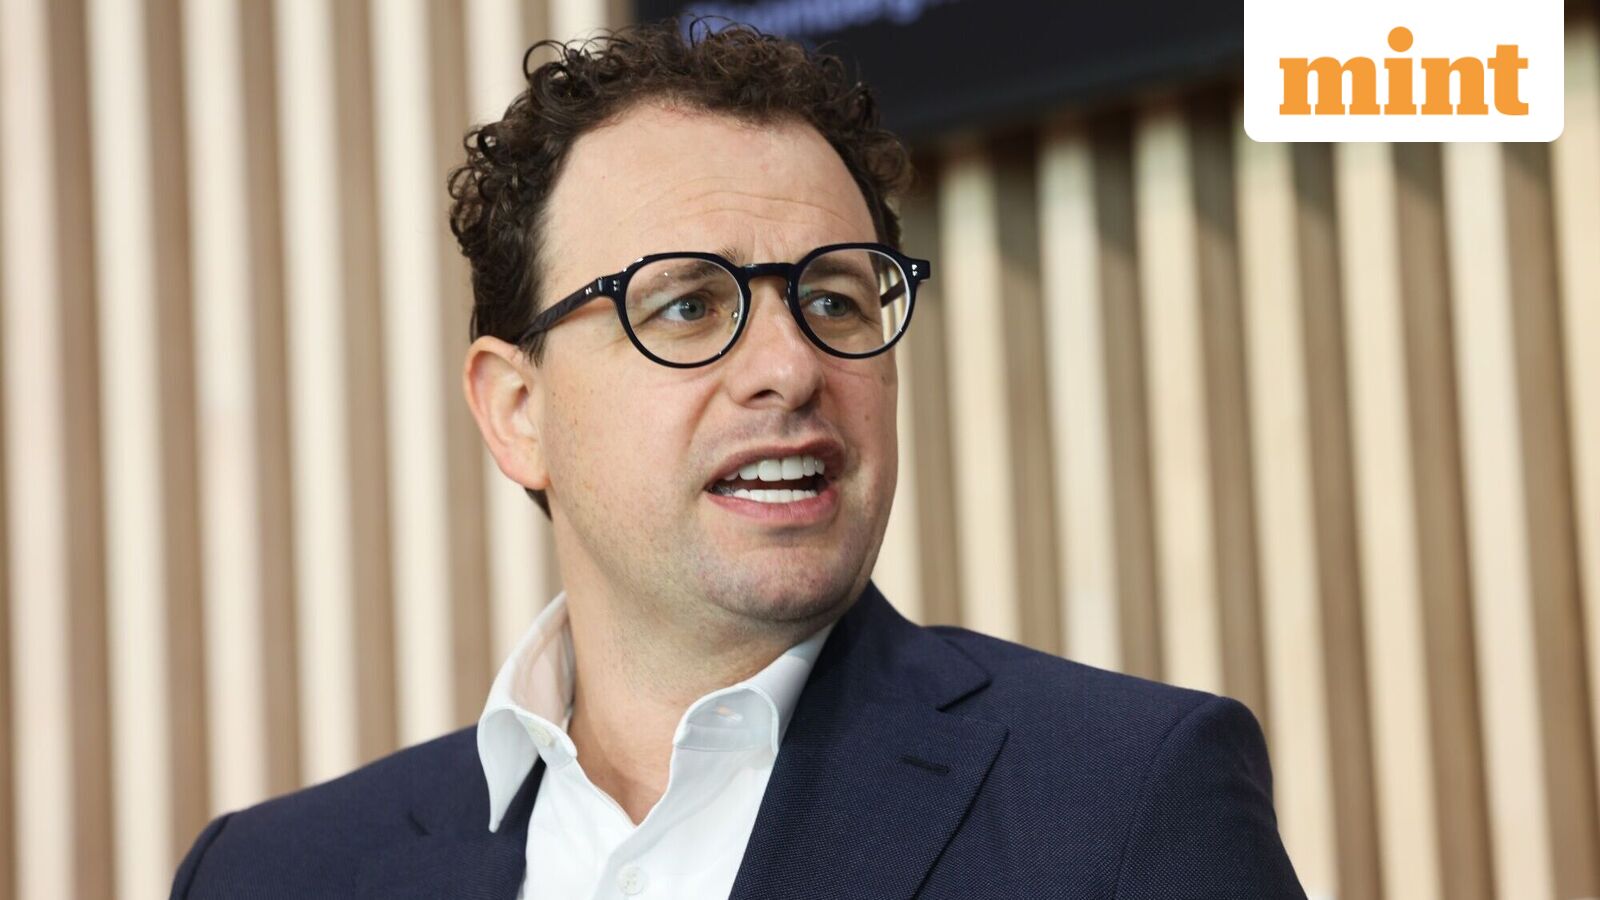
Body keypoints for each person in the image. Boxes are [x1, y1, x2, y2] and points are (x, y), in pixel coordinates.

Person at [171, 21, 1306, 899]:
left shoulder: (1124, 803)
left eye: (834, 298)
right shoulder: (269, 877)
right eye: (687, 304)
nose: (789, 368)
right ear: (518, 411)